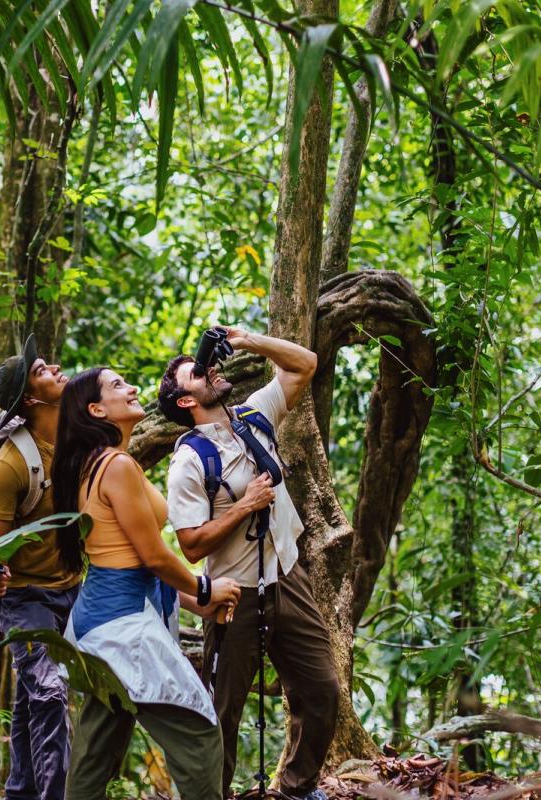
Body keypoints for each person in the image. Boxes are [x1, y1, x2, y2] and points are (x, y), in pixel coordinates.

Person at [158, 327, 339, 800]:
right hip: (234, 594)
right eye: (196, 374)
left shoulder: (254, 416)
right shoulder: (187, 464)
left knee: (321, 690)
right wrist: (244, 506)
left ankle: (297, 788)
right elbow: (192, 546)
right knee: (222, 713)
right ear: (184, 402)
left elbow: (305, 363)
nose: (210, 371)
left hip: (287, 576)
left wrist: (247, 340)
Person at [52, 366, 241, 800]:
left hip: (100, 624)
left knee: (97, 746)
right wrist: (206, 589)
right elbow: (154, 557)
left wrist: (195, 603)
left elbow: (127, 561)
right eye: (118, 385)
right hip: (123, 630)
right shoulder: (115, 465)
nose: (132, 388)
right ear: (96, 409)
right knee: (199, 733)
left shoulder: (93, 464)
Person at [0, 335, 79, 800]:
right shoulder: (12, 465)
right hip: (27, 600)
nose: (54, 367)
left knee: (31, 700)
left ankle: (20, 792)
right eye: (41, 371)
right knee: (50, 693)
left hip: (72, 591)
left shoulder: (75, 434)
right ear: (32, 399)